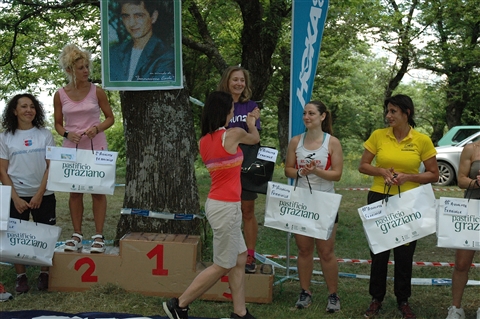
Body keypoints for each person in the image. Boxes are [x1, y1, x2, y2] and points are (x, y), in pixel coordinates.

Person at [163, 91, 259, 319]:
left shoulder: (204, 141)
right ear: (225, 112)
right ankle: (179, 304)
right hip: (226, 207)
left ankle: (240, 313)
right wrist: (251, 123)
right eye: (232, 110)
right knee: (223, 265)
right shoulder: (234, 133)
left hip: (218, 204)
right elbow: (254, 138)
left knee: (239, 257)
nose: (234, 113)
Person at [358, 94, 439, 319]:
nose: (388, 116)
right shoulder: (378, 136)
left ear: (407, 113)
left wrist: (408, 177)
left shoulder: (422, 140)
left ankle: (403, 300)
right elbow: (363, 166)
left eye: (393, 111)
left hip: (409, 203)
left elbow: (434, 174)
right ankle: (376, 298)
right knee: (379, 251)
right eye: (388, 111)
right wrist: (381, 171)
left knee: (404, 253)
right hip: (379, 198)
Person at [54, 44, 114, 253]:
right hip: (72, 148)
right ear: (70, 70)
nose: (86, 71)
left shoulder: (97, 91)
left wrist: (96, 128)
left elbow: (110, 118)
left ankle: (98, 237)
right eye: (81, 68)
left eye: (87, 66)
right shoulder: (60, 94)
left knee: (98, 192)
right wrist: (67, 134)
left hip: (96, 146)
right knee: (75, 192)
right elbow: (58, 124)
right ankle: (77, 235)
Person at [284, 100, 343, 313]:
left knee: (326, 251)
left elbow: (337, 174)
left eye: (311, 113)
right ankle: (305, 291)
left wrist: (316, 171)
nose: (307, 117)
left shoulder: (332, 142)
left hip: (325, 201)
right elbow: (288, 170)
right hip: (302, 202)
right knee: (304, 249)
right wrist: (300, 172)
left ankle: (333, 295)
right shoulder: (296, 141)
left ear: (322, 116)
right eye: (304, 114)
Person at [0, 93, 56, 293]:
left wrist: (40, 194)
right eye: (23, 106)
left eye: (32, 106)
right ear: (14, 111)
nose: (28, 110)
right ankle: (21, 276)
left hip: (43, 194)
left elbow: (51, 166)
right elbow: (2, 171)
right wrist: (15, 198)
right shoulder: (5, 137)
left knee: (45, 234)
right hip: (16, 196)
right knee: (15, 236)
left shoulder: (45, 135)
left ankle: (44, 273)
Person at [217, 66, 261, 273]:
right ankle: (228, 253)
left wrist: (252, 122)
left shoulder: (251, 106)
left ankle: (250, 255)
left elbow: (254, 137)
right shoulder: (219, 103)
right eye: (235, 79)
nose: (238, 84)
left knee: (247, 210)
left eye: (242, 80)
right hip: (224, 164)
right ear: (227, 81)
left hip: (246, 164)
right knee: (228, 211)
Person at [445, 140, 480, 319]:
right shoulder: (471, 148)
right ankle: (455, 308)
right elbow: (461, 180)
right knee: (461, 263)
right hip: (472, 211)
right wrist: (476, 182)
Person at [109, 0, 175, 82]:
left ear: (153, 17)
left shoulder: (167, 55)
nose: (132, 23)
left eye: (139, 16)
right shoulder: (114, 53)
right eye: (126, 16)